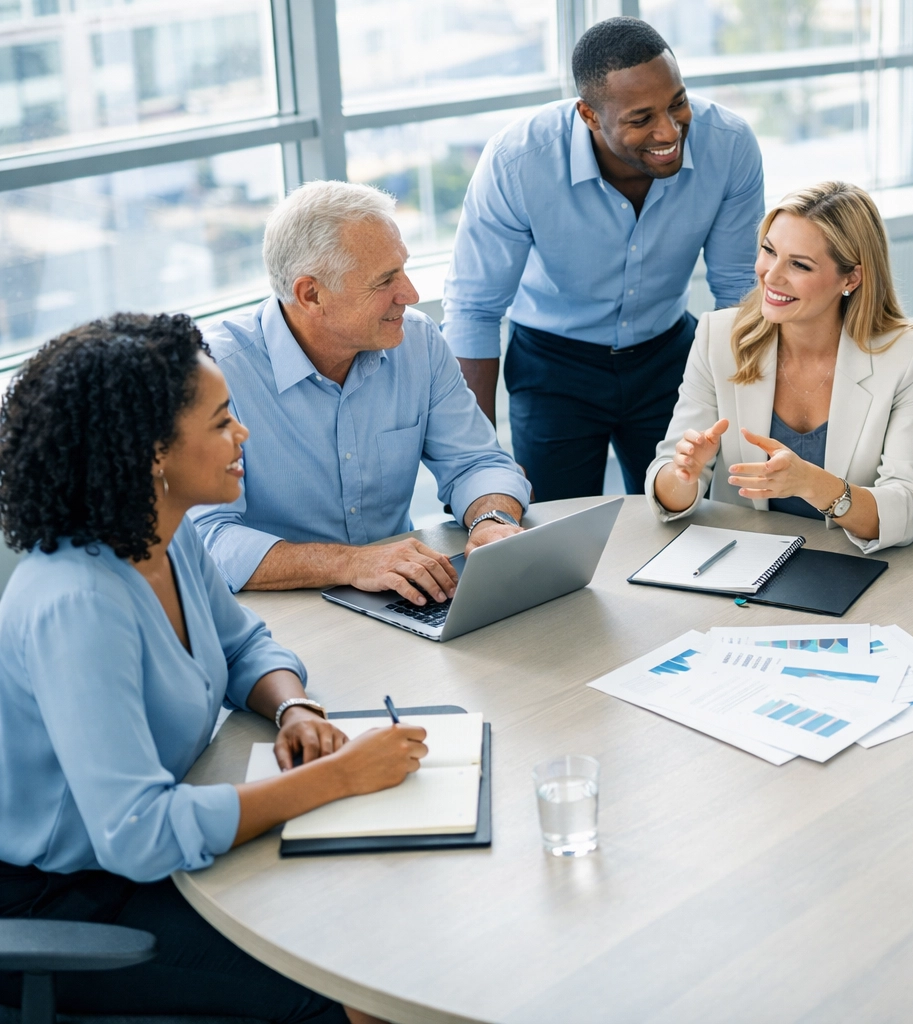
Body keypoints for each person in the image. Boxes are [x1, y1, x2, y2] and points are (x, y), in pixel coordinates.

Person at [0, 314, 428, 1021]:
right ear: (152, 454)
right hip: (74, 905)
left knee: (383, 914)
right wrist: (336, 778)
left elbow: (244, 645)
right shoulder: (78, 602)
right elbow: (138, 831)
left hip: (156, 861)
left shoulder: (163, 536)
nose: (245, 436)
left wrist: (295, 709)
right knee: (363, 992)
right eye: (224, 422)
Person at [443, 16, 764, 501]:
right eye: (641, 118)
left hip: (667, 355)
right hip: (553, 366)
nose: (670, 129)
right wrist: (475, 464)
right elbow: (474, 310)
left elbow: (738, 287)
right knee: (555, 535)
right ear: (589, 115)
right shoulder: (518, 160)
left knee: (688, 517)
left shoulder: (730, 144)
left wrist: (747, 410)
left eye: (677, 103)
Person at [191, 180, 531, 607]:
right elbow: (207, 538)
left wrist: (491, 519)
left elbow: (476, 461)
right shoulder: (213, 373)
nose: (411, 294)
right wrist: (351, 564)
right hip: (277, 613)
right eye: (385, 279)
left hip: (399, 595)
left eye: (403, 268)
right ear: (311, 294)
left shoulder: (418, 342)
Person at [646, 181, 913, 552]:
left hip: (875, 562)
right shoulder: (717, 337)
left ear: (851, 278)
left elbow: (910, 504)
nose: (771, 275)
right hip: (754, 560)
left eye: (799, 264)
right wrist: (683, 474)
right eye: (769, 251)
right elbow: (666, 493)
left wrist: (812, 484)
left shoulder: (909, 356)